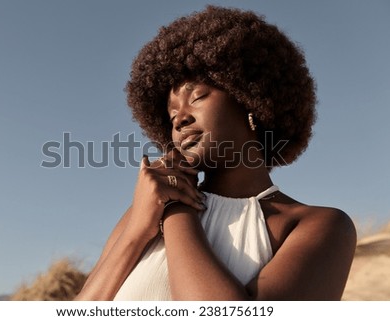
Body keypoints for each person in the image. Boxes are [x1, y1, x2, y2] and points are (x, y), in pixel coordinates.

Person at [75, 5, 356, 301]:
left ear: (251, 100)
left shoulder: (319, 226)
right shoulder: (145, 210)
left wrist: (178, 208)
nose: (180, 119)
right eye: (171, 116)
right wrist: (136, 232)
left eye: (197, 97)